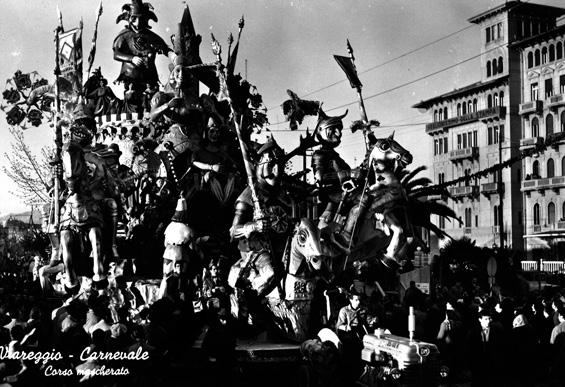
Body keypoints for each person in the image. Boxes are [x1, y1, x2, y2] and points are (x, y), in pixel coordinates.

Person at [113, 0, 176, 109]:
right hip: (130, 76)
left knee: (152, 101)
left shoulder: (151, 36)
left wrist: (173, 57)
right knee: (132, 100)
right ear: (129, 18)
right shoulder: (124, 35)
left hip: (149, 77)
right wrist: (131, 58)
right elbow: (116, 54)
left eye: (141, 19)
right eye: (134, 18)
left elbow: (165, 49)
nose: (138, 23)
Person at [465, 309, 507, 387]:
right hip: (478, 361)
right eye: (485, 319)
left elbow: (499, 347)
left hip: (491, 361)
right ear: (480, 320)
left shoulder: (496, 330)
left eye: (489, 319)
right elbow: (469, 348)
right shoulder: (473, 331)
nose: (488, 321)